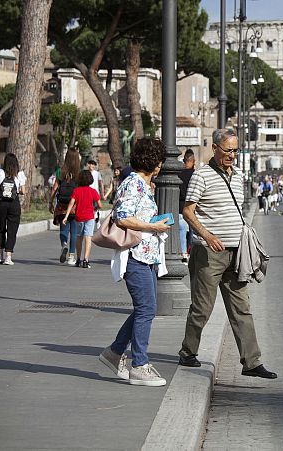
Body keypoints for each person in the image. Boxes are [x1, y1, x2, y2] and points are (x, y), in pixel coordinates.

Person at [178, 128, 277, 379]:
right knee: (202, 307)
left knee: (241, 307)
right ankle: (188, 351)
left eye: (235, 150)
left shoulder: (239, 175)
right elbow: (188, 211)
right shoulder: (201, 176)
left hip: (237, 252)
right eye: (228, 150)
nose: (232, 155)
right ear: (215, 148)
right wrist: (207, 235)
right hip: (209, 253)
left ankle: (251, 362)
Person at [99, 137, 171, 386]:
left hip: (146, 256)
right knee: (147, 309)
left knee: (145, 308)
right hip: (135, 256)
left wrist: (156, 225)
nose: (161, 167)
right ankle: (139, 365)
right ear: (155, 163)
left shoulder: (141, 183)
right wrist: (153, 225)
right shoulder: (134, 183)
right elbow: (123, 218)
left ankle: (114, 352)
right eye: (160, 161)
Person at [0, 153, 26, 265]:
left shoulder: (1, 173)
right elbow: (23, 191)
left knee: (0, 228)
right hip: (14, 204)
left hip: (1, 203)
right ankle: (8, 256)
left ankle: (0, 255)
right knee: (12, 230)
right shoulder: (20, 174)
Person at [62, 170, 102, 268]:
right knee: (88, 238)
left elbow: (71, 203)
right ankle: (86, 260)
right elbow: (100, 205)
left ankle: (78, 259)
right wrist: (95, 209)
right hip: (89, 217)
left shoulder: (76, 190)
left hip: (79, 217)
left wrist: (66, 216)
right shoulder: (93, 191)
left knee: (79, 237)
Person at [48, 149, 81, 265]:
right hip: (74, 206)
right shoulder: (79, 174)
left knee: (64, 228)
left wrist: (51, 202)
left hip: (62, 206)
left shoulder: (60, 172)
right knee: (74, 231)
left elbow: (54, 188)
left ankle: (64, 244)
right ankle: (71, 257)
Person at [178, 149, 196, 262]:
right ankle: (191, 252)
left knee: (182, 230)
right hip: (192, 207)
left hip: (180, 207)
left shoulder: (178, 174)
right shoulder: (195, 175)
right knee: (192, 232)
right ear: (193, 161)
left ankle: (184, 254)